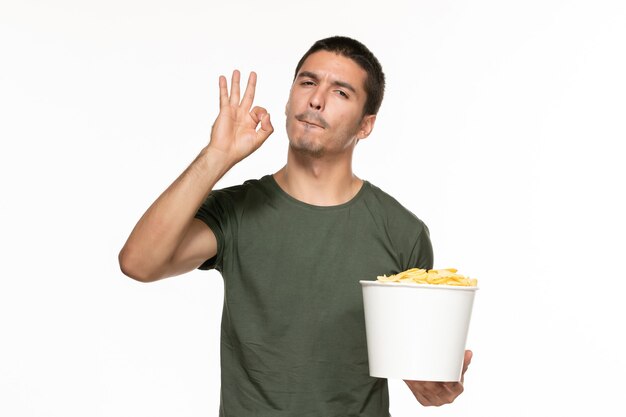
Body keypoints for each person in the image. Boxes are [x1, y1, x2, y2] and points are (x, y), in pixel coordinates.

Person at [119, 35, 472, 416]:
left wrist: (434, 385)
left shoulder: (402, 233)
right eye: (307, 82)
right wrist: (216, 156)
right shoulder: (236, 211)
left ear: (366, 125)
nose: (316, 99)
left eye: (341, 93)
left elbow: (419, 372)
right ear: (289, 99)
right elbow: (138, 263)